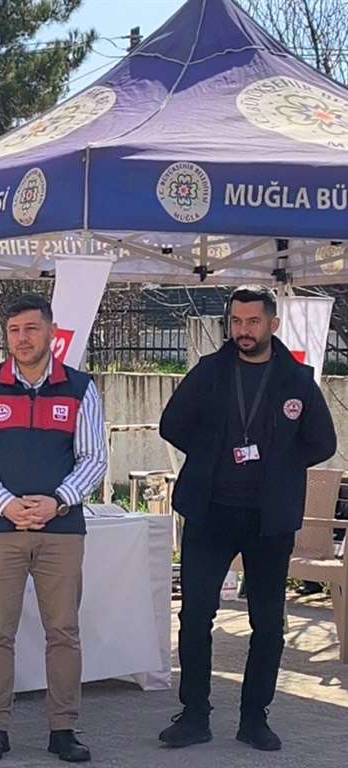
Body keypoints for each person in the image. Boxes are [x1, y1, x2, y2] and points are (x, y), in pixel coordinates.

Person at [157, 285, 335, 752]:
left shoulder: (297, 380)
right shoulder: (210, 372)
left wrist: (279, 463)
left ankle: (255, 719)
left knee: (268, 623)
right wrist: (214, 454)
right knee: (196, 615)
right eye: (236, 322)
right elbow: (171, 423)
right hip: (211, 512)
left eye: (252, 322)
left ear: (272, 324)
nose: (243, 331)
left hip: (269, 518)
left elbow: (323, 442)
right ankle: (194, 715)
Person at [0, 294, 107, 763]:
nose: (22, 338)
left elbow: (95, 458)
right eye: (14, 330)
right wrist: (6, 504)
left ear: (51, 332)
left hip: (61, 529)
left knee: (63, 630)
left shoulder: (81, 388)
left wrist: (58, 500)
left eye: (32, 329)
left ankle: (63, 729)